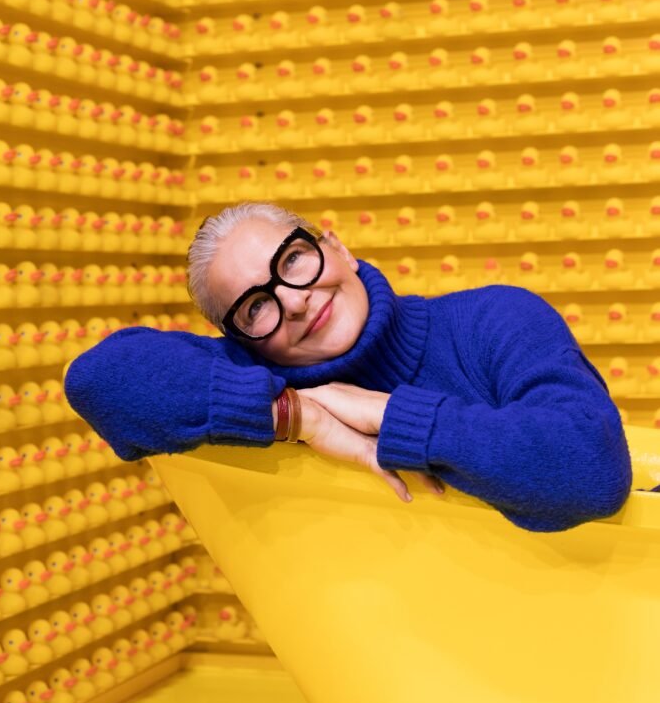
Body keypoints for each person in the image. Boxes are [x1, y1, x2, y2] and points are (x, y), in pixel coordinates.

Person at [64, 200, 633, 533]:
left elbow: (592, 469)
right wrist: (299, 416)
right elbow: (100, 379)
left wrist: (386, 413)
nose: (293, 300)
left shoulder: (495, 318)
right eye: (255, 305)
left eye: (293, 260)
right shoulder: (268, 376)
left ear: (338, 248)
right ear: (240, 339)